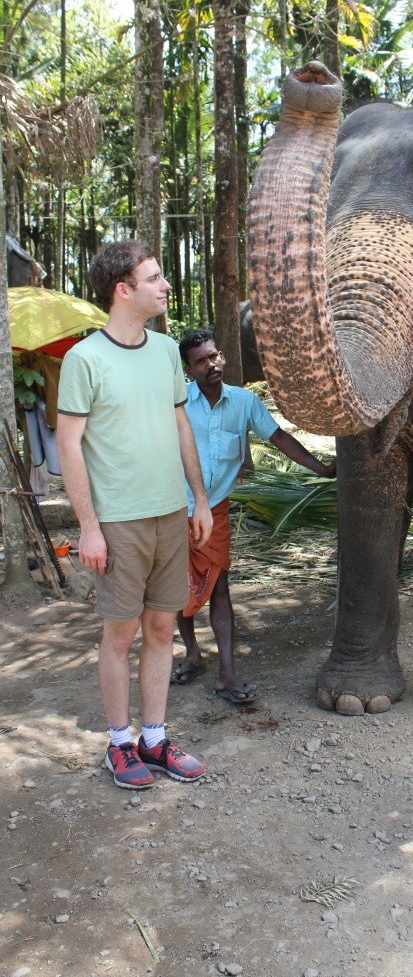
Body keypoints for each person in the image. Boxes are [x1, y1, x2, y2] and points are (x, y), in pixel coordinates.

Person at [56, 242, 214, 791]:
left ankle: (154, 738)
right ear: (123, 290)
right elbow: (69, 446)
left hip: (170, 513)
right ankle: (119, 743)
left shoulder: (167, 350)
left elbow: (181, 425)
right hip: (118, 520)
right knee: (120, 633)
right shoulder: (84, 359)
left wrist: (198, 499)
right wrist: (89, 527)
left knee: (162, 627)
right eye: (154, 278)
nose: (165, 285)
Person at [172, 330, 336, 703]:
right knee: (177, 589)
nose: (211, 364)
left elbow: (279, 438)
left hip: (215, 512)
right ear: (189, 369)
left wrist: (321, 468)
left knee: (220, 587)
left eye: (214, 356)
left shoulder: (244, 402)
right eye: (201, 361)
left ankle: (228, 674)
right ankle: (193, 653)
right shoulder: (178, 403)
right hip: (176, 508)